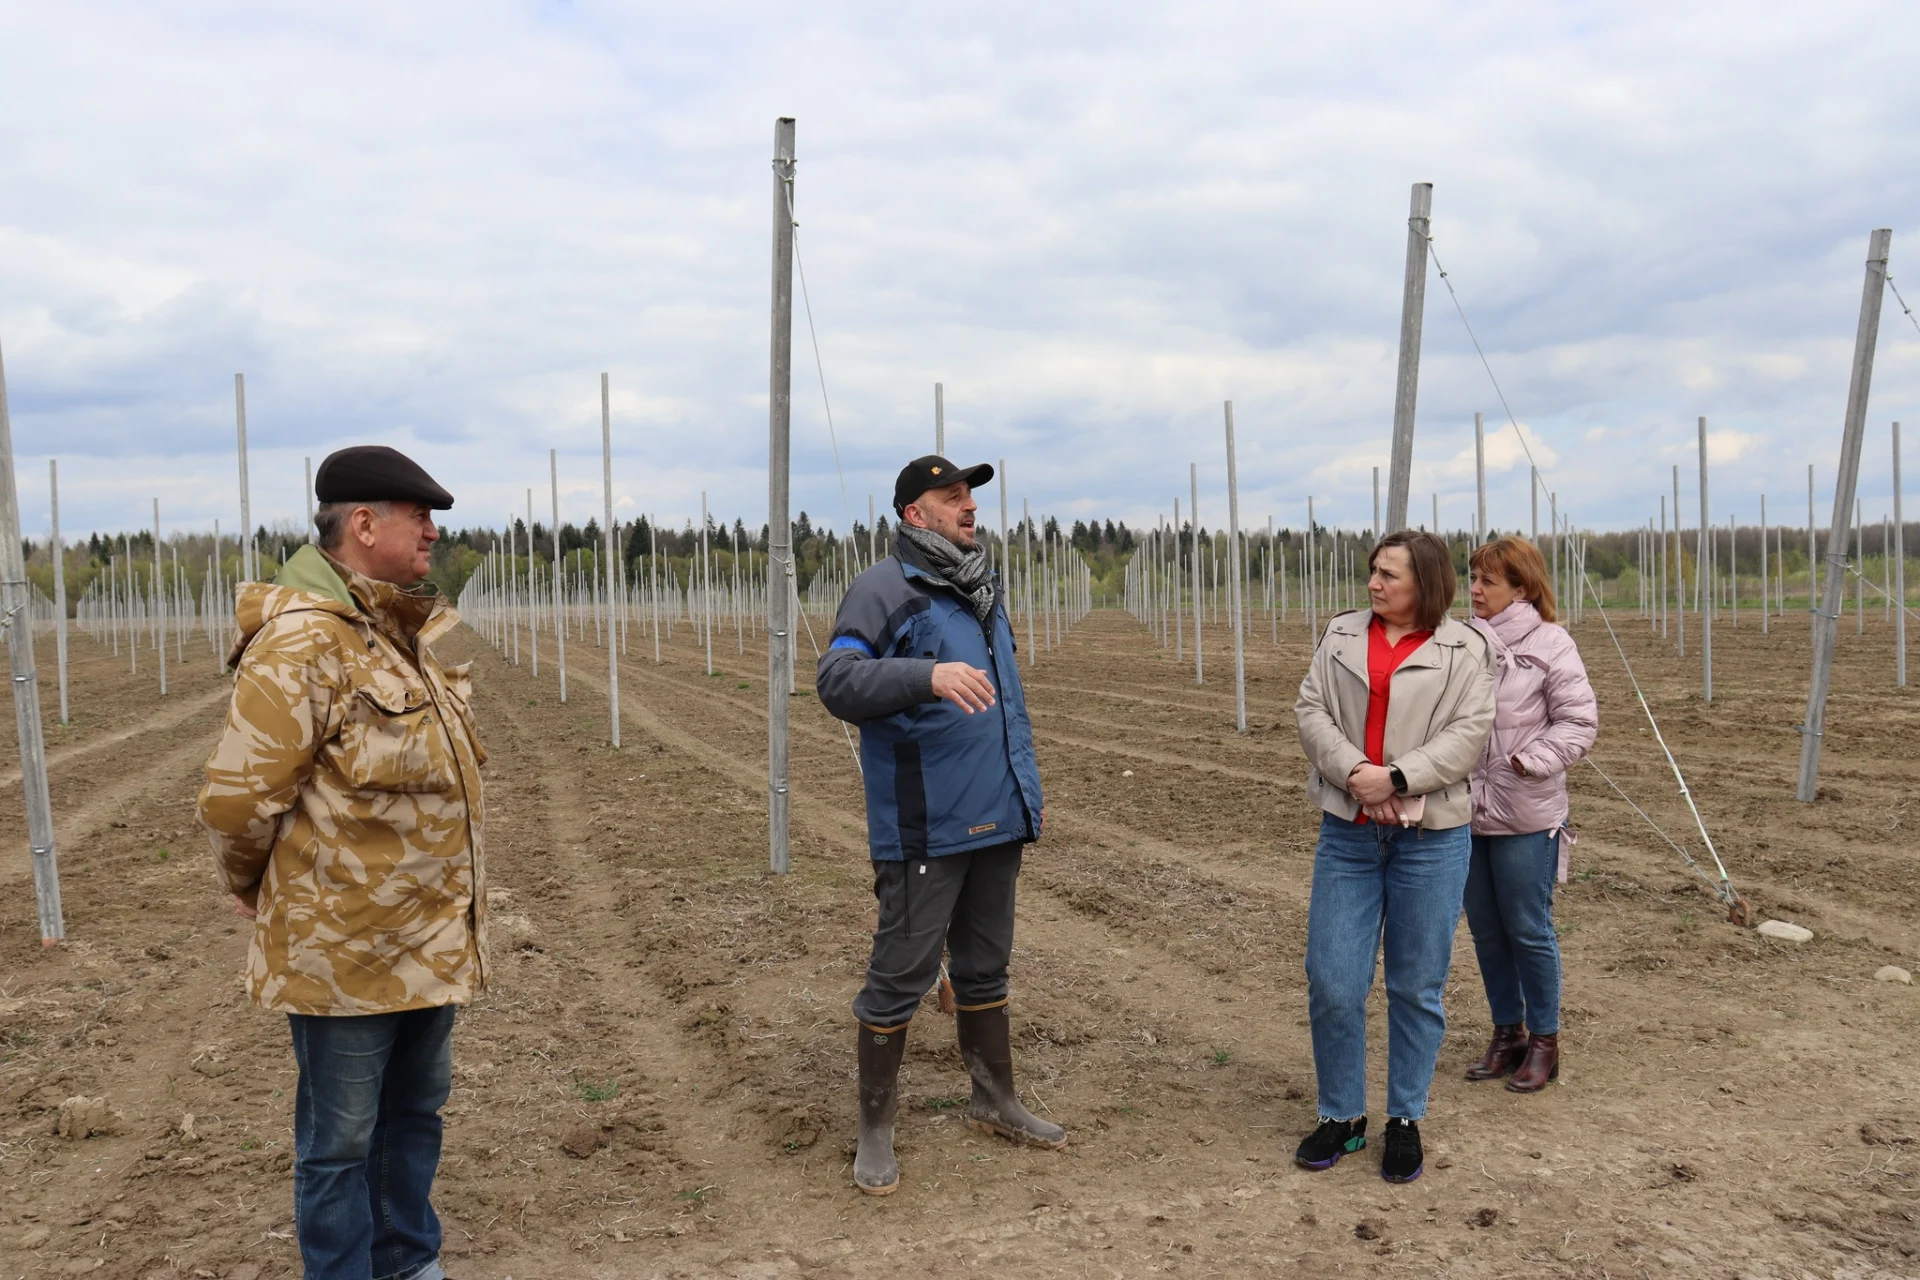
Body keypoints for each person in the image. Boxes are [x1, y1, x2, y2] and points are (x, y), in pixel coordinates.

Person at [198, 446, 483, 1280]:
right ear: (364, 524)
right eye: (419, 518)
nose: (433, 533)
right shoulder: (304, 643)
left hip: (429, 940)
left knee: (415, 1118)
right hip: (344, 950)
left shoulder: (400, 634)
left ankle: (407, 1262)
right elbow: (237, 800)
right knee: (340, 1142)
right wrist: (257, 886)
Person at [816, 454, 1059, 1196]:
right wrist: (925, 675)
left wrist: (1025, 795)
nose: (968, 504)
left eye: (972, 495)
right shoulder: (886, 588)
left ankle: (995, 1098)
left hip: (997, 815)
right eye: (951, 494)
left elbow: (1005, 709)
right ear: (913, 514)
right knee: (900, 976)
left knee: (985, 968)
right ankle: (874, 1129)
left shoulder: (978, 592)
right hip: (927, 826)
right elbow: (837, 678)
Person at [1292, 529, 1494, 1184]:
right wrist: (1356, 772)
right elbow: (1312, 707)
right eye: (1373, 572)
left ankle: (1404, 1119)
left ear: (1427, 584)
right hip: (1349, 831)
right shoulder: (1341, 634)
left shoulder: (1466, 648)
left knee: (1415, 982)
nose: (1375, 585)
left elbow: (1471, 733)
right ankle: (1342, 1114)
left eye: (1390, 576)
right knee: (1334, 977)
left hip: (1430, 837)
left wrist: (1399, 778)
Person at [1461, 537, 1598, 1092]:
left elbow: (1579, 722)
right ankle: (1506, 1033)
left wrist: (1528, 760)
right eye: (1472, 577)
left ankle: (1544, 1040)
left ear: (1522, 587)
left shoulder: (1552, 643)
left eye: (1488, 581)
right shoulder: (1461, 641)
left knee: (1528, 928)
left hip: (1525, 810)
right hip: (1465, 811)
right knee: (1488, 932)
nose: (1474, 589)